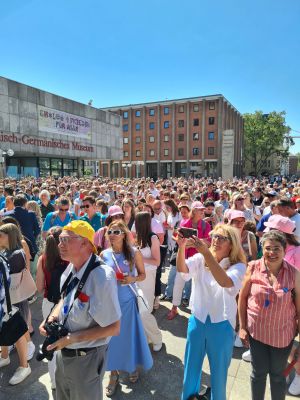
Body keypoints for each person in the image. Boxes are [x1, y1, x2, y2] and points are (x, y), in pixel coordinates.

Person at [39, 220, 121, 400]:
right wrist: (52, 317)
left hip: (86, 358)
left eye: (66, 240)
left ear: (85, 243)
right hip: (65, 350)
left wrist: (71, 339)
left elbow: (114, 328)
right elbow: (66, 298)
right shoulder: (72, 265)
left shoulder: (102, 277)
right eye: (60, 239)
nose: (60, 244)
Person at [177, 224, 246, 400]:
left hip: (222, 325)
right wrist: (182, 246)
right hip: (197, 319)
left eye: (222, 238)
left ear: (232, 244)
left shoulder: (238, 266)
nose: (216, 240)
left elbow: (225, 282)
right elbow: (182, 270)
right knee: (191, 368)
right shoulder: (201, 258)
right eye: (215, 236)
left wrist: (207, 254)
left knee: (219, 375)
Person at [238, 230, 300, 400]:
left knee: (277, 375)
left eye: (276, 248)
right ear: (262, 248)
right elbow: (242, 298)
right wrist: (242, 327)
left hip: (282, 334)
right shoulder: (253, 267)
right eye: (268, 248)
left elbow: (299, 305)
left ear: (284, 250)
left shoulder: (294, 273)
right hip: (257, 332)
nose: (271, 253)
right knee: (258, 373)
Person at [101, 221, 153, 396]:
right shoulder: (103, 254)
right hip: (110, 303)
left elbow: (143, 274)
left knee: (129, 337)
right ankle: (113, 374)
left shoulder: (133, 252)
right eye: (110, 231)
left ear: (124, 234)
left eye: (116, 231)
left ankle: (131, 366)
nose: (112, 234)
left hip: (128, 301)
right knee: (111, 340)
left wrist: (132, 280)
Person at [0, 223, 35, 385]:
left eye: (1, 235)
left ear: (10, 236)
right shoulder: (7, 253)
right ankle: (5, 356)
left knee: (18, 331)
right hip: (8, 300)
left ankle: (24, 365)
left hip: (13, 299)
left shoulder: (14, 254)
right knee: (8, 329)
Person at [36, 226, 69, 390]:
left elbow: (39, 287)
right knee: (67, 342)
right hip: (67, 305)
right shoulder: (70, 258)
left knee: (50, 342)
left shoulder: (43, 258)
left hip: (49, 305)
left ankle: (54, 383)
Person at [134, 211, 163, 351]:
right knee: (138, 311)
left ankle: (157, 338)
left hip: (148, 277)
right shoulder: (136, 238)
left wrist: (139, 258)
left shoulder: (153, 238)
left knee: (145, 311)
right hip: (136, 277)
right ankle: (147, 337)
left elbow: (157, 262)